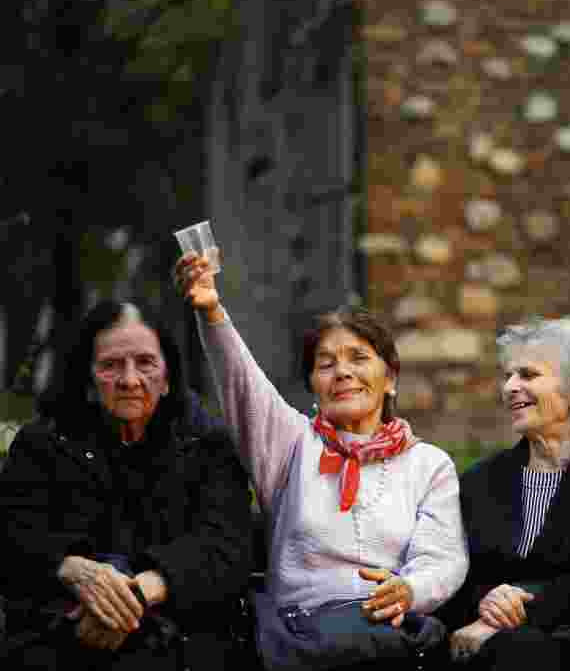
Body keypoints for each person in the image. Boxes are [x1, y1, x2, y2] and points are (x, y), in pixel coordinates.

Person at [174, 252, 468, 669]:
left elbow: (442, 557)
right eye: (326, 364)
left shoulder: (428, 464)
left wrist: (408, 590)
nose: (342, 373)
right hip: (301, 641)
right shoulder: (293, 443)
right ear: (313, 385)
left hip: (383, 637)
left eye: (359, 358)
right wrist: (211, 311)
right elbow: (241, 384)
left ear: (391, 379)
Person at [0, 300, 253, 670]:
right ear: (87, 378)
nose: (130, 380)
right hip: (61, 644)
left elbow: (227, 548)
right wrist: (73, 570)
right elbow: (13, 539)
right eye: (110, 365)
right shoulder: (43, 444)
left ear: (167, 378)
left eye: (146, 363)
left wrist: (135, 595)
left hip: (182, 648)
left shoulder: (206, 444)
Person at [441, 318, 570, 671]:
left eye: (528, 375)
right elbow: (460, 574)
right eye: (507, 376)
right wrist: (487, 602)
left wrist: (507, 614)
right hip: (491, 645)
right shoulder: (479, 481)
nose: (510, 387)